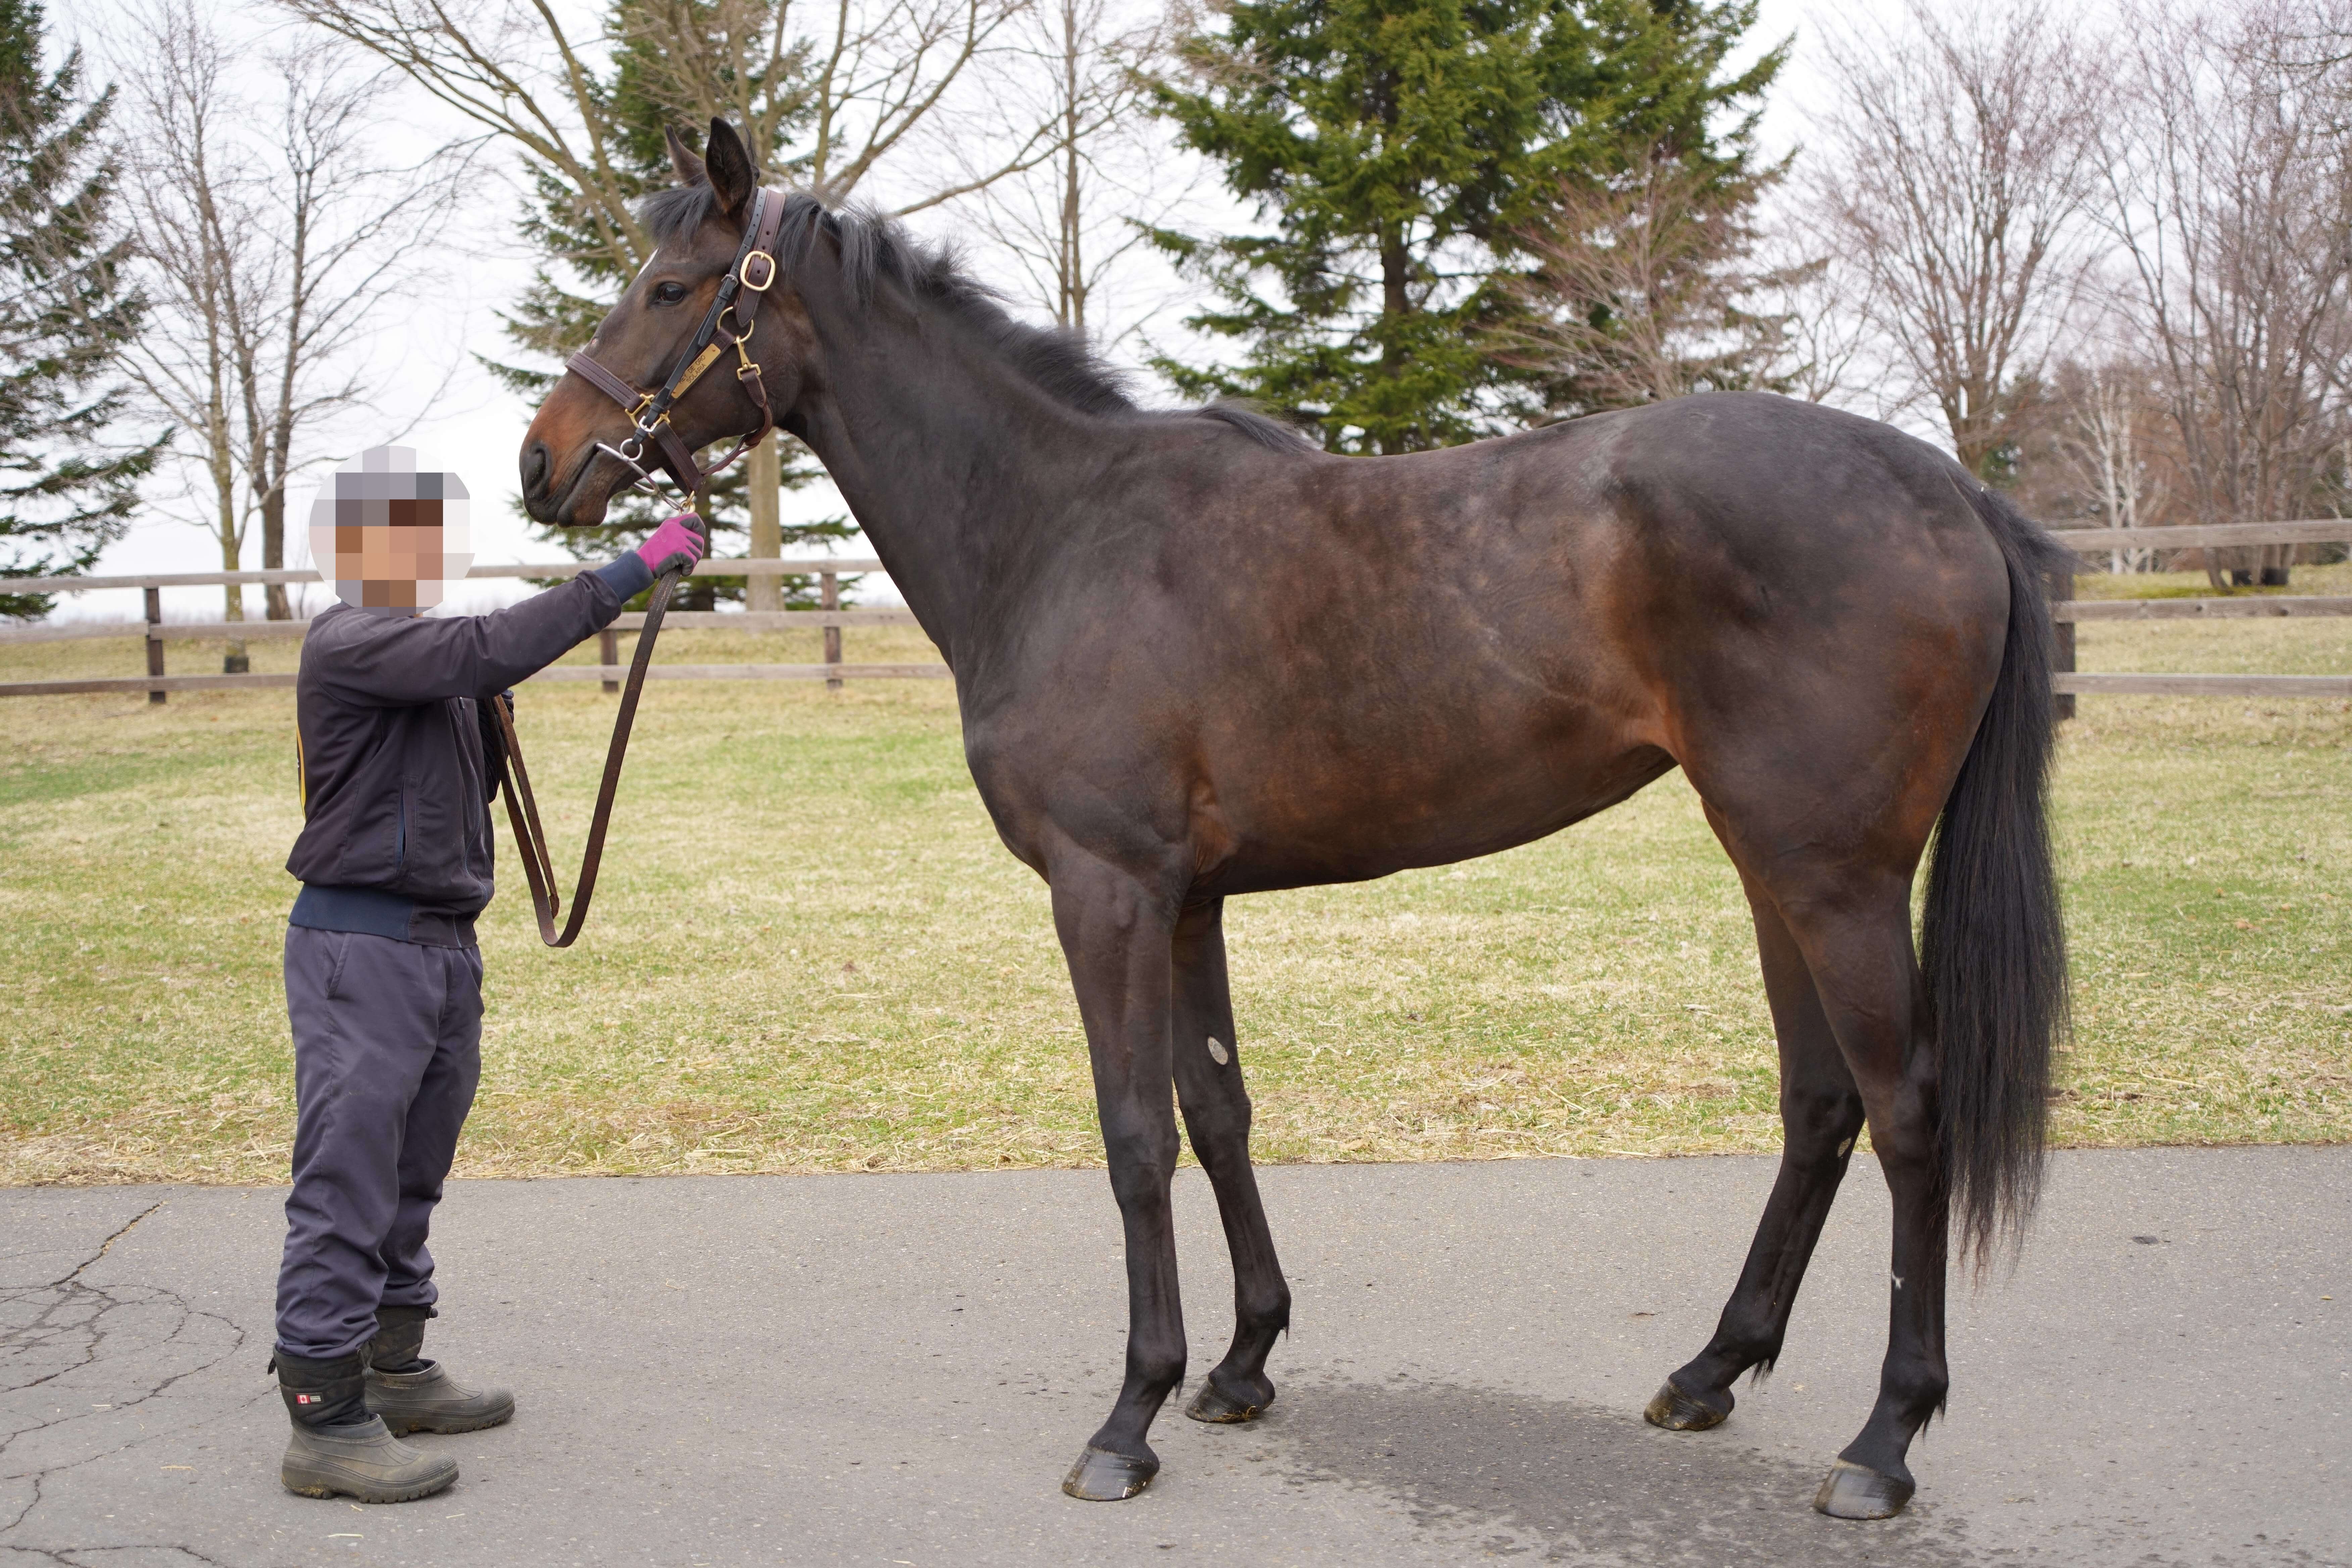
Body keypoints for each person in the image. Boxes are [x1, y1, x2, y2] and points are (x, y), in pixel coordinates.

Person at [271, 447, 706, 1503]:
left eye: (428, 534)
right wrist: (625, 572)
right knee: (348, 1175)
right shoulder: (355, 642)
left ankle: (393, 1364)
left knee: (411, 1169)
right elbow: (489, 647)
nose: (421, 554)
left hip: (438, 946)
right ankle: (323, 1416)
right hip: (363, 948)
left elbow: (478, 662)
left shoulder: (419, 651)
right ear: (349, 549)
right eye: (398, 533)